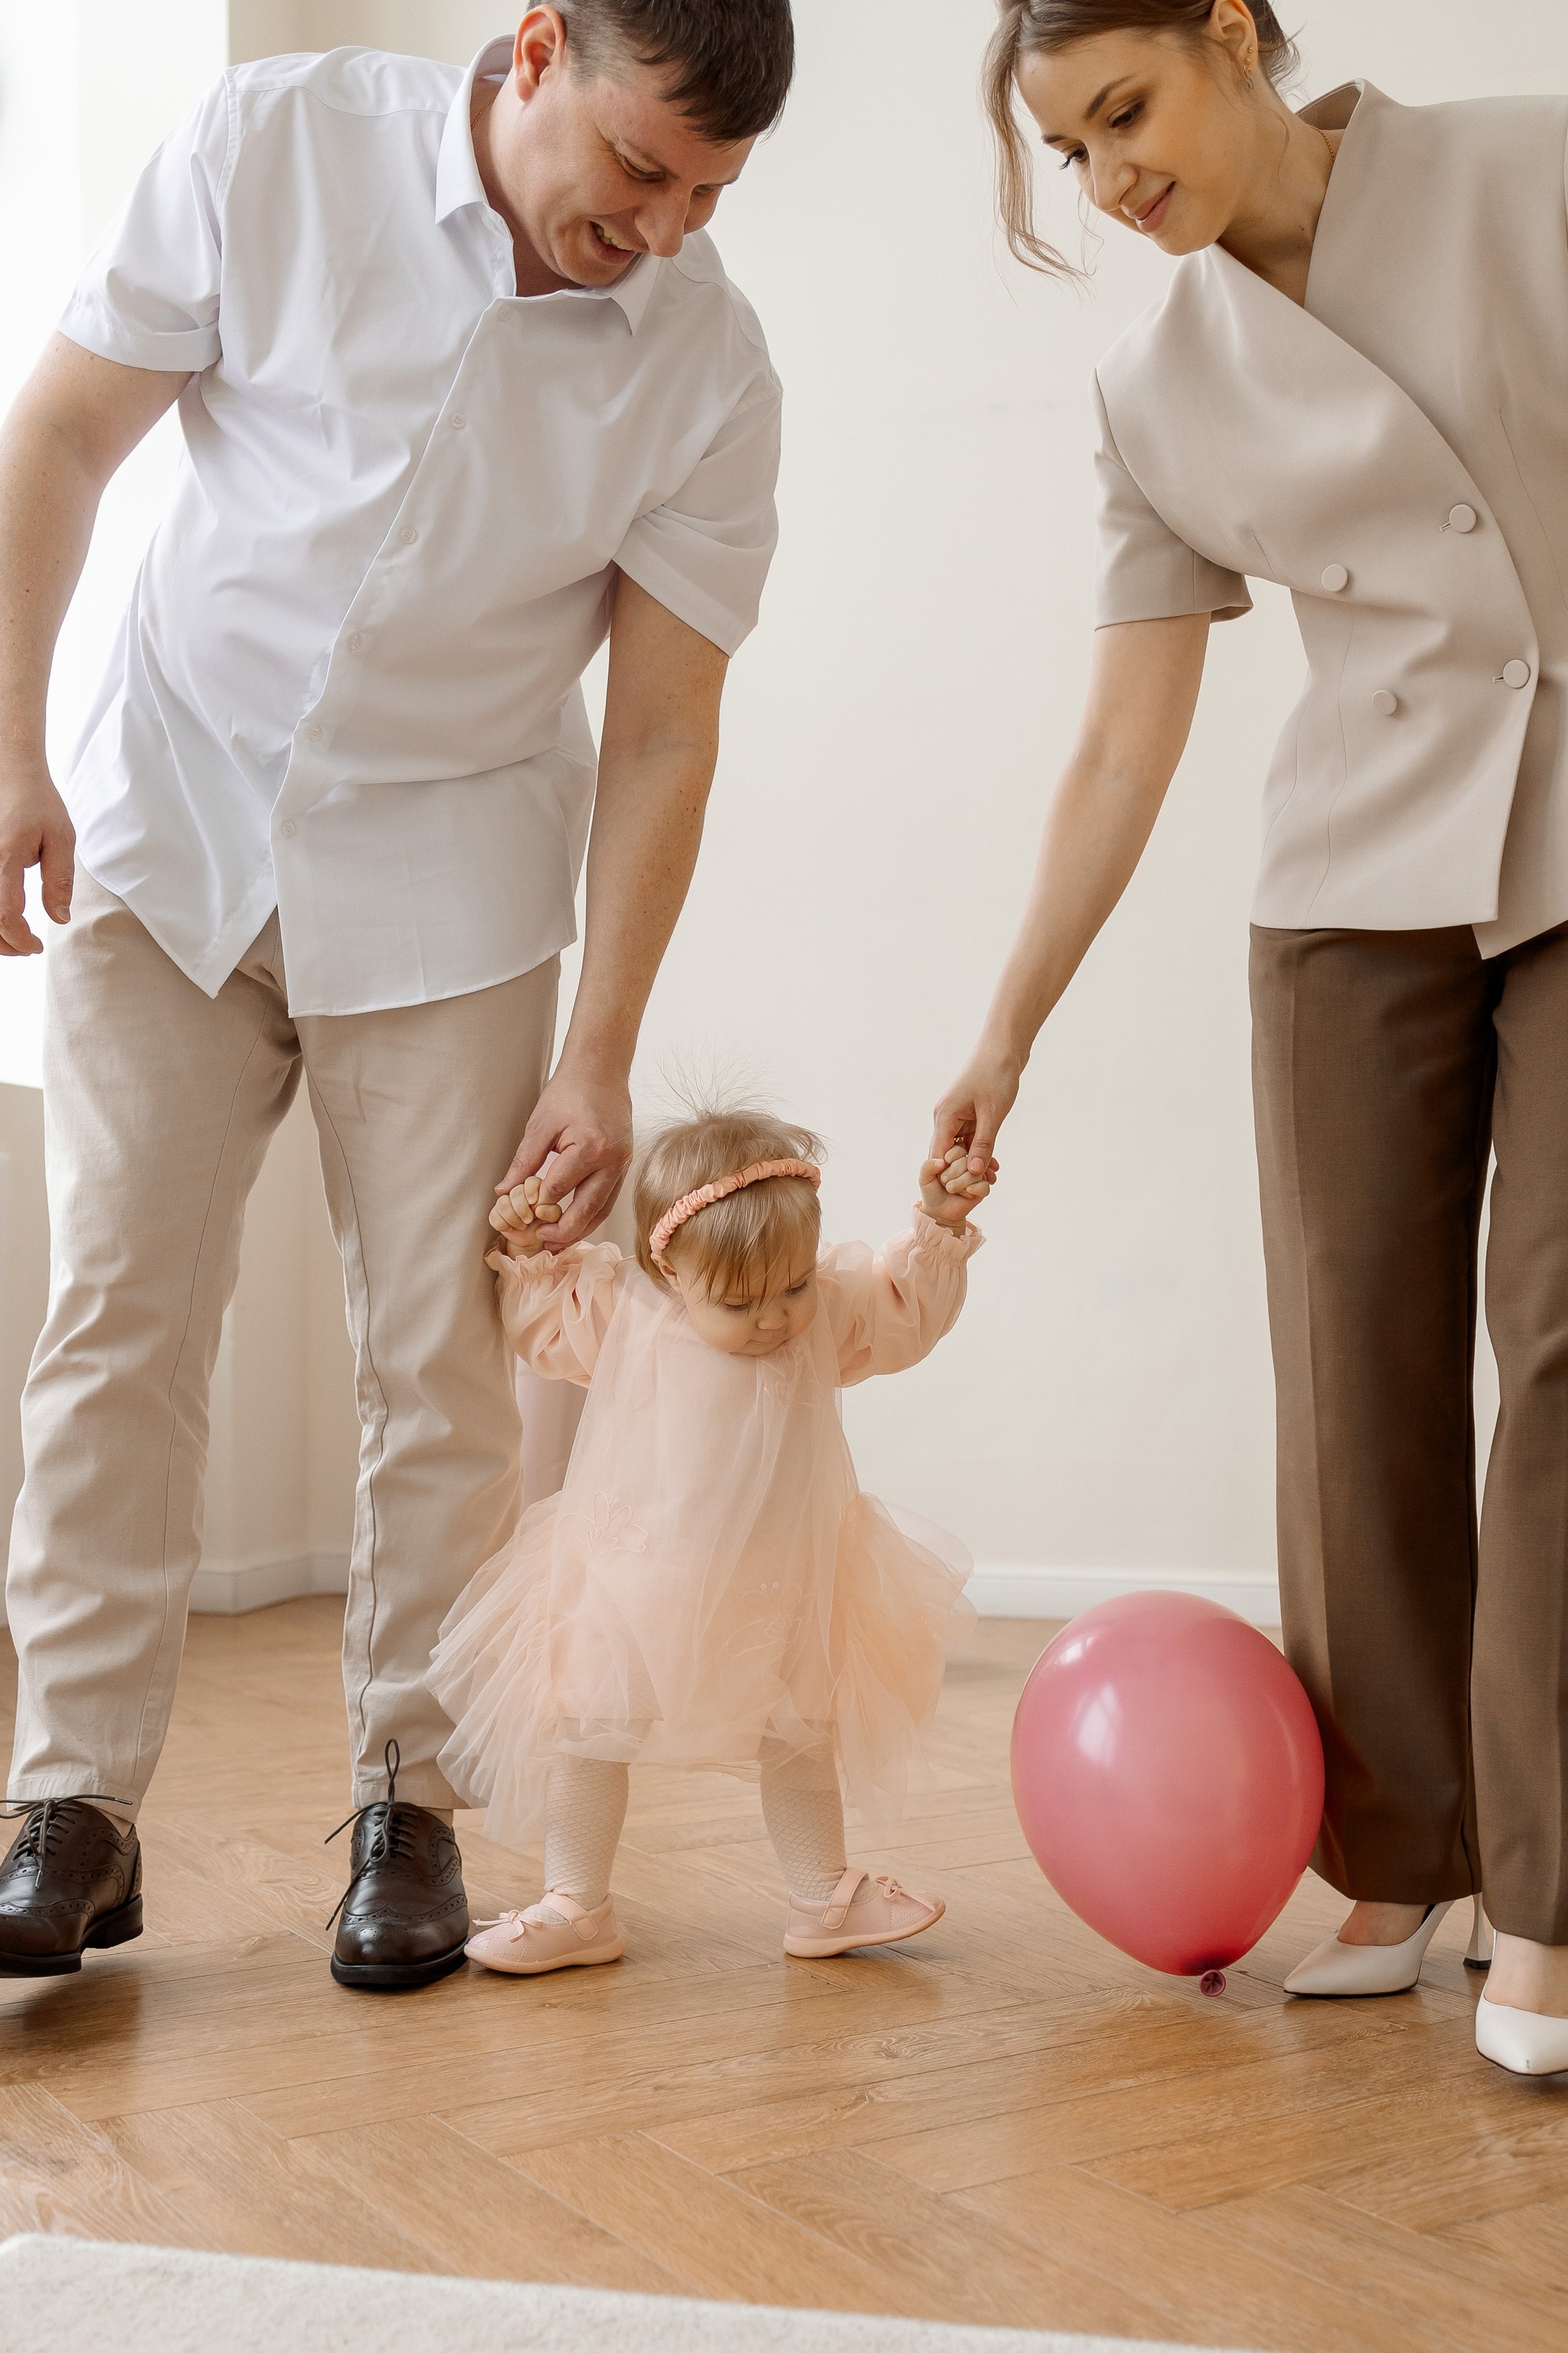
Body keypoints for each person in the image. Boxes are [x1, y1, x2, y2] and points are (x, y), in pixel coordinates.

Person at [0, 2, 793, 1994]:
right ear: (537, 51)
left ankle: (412, 1801)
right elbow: (61, 438)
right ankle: (70, 1806)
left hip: (446, 892)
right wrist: (8, 742)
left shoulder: (707, 360)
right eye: (640, 169)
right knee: (117, 1322)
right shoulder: (271, 149)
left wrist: (602, 1049)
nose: (669, 229)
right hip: (163, 836)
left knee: (436, 1365)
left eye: (711, 194)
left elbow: (667, 734)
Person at [935, 0, 1568, 2079]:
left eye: (1127, 112)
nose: (1115, 180)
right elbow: (1125, 741)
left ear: (1232, 36)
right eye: (1071, 151)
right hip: (1354, 877)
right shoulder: (1153, 387)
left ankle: (1554, 1892)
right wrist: (1006, 1032)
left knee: (1562, 1342)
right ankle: (1409, 1847)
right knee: (1351, 1355)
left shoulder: (1531, 170)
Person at [427, 1104, 987, 1974]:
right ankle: (577, 1900)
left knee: (799, 1734)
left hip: (782, 1582)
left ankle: (821, 1894)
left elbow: (903, 1315)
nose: (773, 1318)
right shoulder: (628, 1315)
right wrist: (535, 1253)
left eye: (792, 1288)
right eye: (738, 1301)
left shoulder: (826, 1310)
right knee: (589, 1728)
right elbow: (543, 1331)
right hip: (628, 1578)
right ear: (668, 1268)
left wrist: (938, 1225)